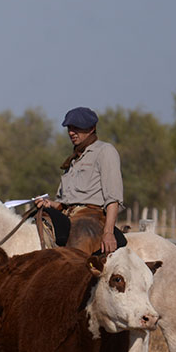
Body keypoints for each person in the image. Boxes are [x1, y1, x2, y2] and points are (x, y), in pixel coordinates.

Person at [35, 107, 126, 254]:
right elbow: (65, 202)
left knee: (76, 249)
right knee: (35, 223)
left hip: (91, 217)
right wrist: (50, 204)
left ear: (91, 128)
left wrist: (108, 233)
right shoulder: (73, 158)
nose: (71, 132)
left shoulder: (105, 151)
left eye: (76, 128)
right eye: (69, 128)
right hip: (68, 215)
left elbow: (113, 199)